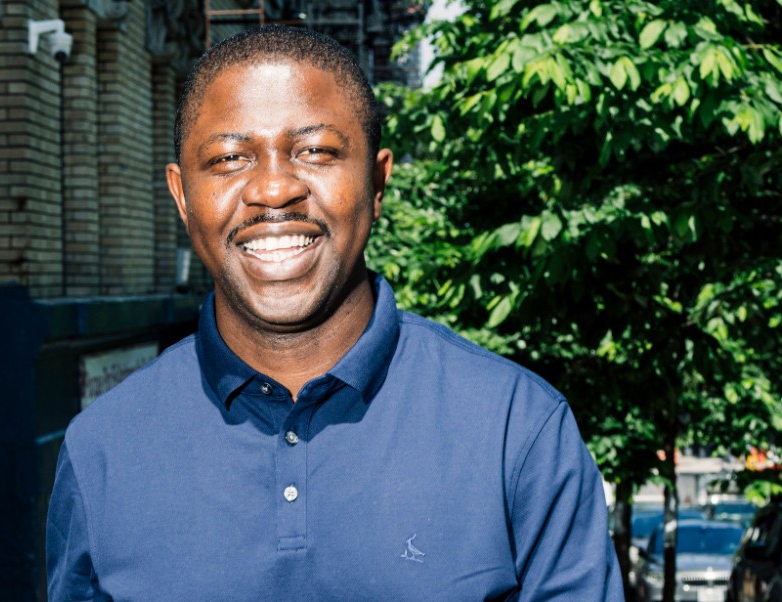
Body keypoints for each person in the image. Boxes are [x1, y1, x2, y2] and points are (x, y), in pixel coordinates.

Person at [47, 25, 622, 600]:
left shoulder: (516, 429)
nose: (273, 189)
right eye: (228, 158)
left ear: (376, 182)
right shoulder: (103, 449)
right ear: (182, 196)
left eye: (315, 151)